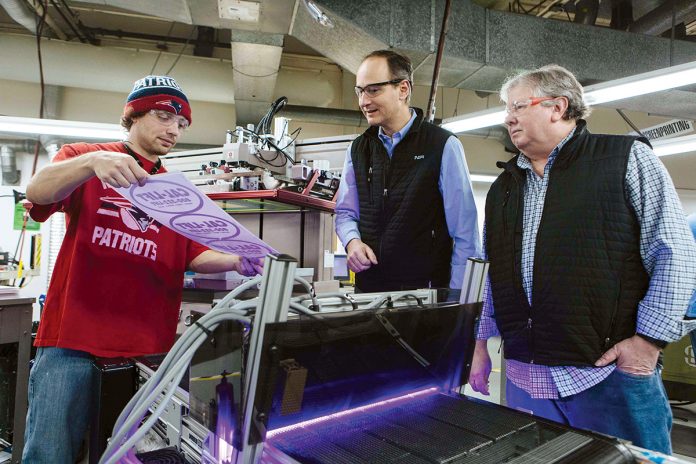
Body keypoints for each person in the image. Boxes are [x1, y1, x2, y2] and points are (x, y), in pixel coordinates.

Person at [22, 75, 264, 463]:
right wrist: (92, 163)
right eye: (164, 116)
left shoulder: (177, 191)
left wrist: (237, 260)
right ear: (133, 115)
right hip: (74, 341)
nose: (175, 129)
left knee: (128, 457)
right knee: (49, 454)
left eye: (182, 124)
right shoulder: (86, 157)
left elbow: (193, 254)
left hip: (147, 350)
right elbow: (37, 193)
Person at [468, 64, 696, 454]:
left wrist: (648, 343)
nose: (508, 117)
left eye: (518, 106)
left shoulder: (625, 159)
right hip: (526, 379)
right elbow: (493, 275)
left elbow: (675, 254)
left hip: (608, 375)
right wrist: (479, 345)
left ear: (557, 107)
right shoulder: (504, 187)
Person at [335, 50, 479, 293]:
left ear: (403, 89)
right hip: (369, 292)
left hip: (425, 296)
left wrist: (458, 300)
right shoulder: (358, 149)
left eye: (373, 90)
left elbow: (465, 234)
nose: (363, 101)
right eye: (360, 91)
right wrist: (352, 241)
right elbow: (345, 212)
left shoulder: (442, 146)